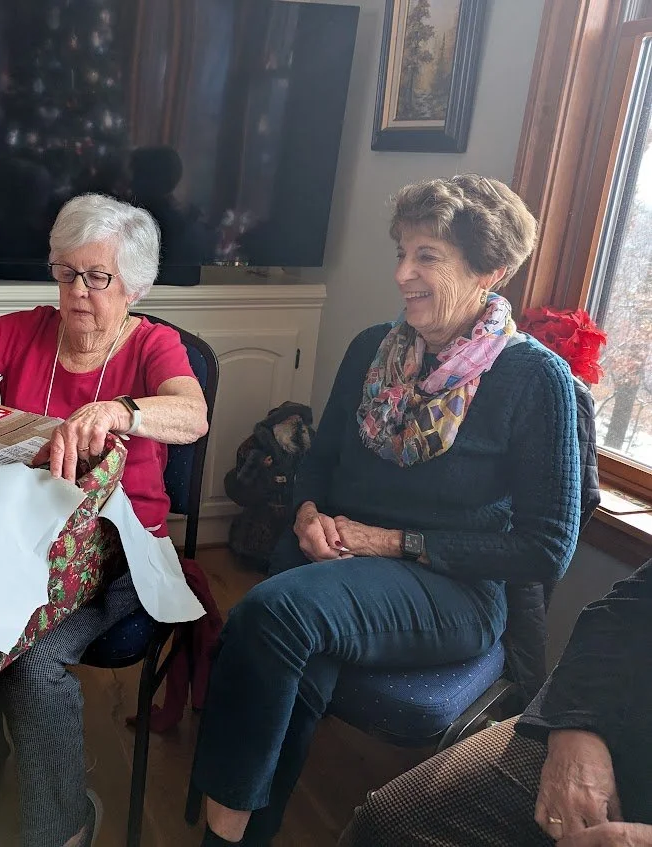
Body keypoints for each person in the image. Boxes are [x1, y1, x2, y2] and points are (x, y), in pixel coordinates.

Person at [189, 174, 582, 846]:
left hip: (449, 587)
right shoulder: (372, 349)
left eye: (427, 256)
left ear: (489, 270)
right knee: (287, 655)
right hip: (331, 554)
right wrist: (306, 510)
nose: (401, 274)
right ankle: (246, 836)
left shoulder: (533, 378)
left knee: (274, 614)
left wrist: (386, 541)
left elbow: (546, 547)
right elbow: (319, 457)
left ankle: (219, 840)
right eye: (401, 252)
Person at [0, 192, 209, 847]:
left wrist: (119, 410)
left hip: (118, 549)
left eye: (97, 277)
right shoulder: (29, 328)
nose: (76, 291)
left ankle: (61, 828)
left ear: (133, 286)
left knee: (31, 665)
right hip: (15, 537)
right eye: (66, 272)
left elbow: (191, 413)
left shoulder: (155, 344)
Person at [340, 557, 652, 846]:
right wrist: (577, 730)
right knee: (384, 821)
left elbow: (546, 549)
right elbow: (622, 612)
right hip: (612, 726)